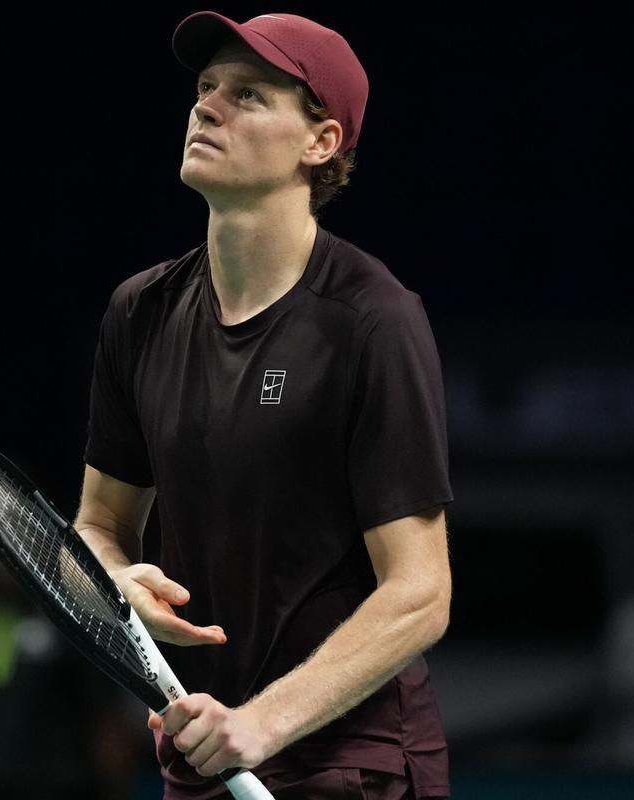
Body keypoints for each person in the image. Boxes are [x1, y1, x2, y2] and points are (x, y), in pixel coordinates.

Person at [75, 12, 454, 799]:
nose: (207, 106)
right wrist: (117, 581)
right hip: (206, 749)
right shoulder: (140, 312)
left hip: (352, 762)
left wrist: (266, 721)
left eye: (248, 96)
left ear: (319, 144)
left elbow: (421, 593)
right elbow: (99, 527)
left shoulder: (372, 321)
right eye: (206, 88)